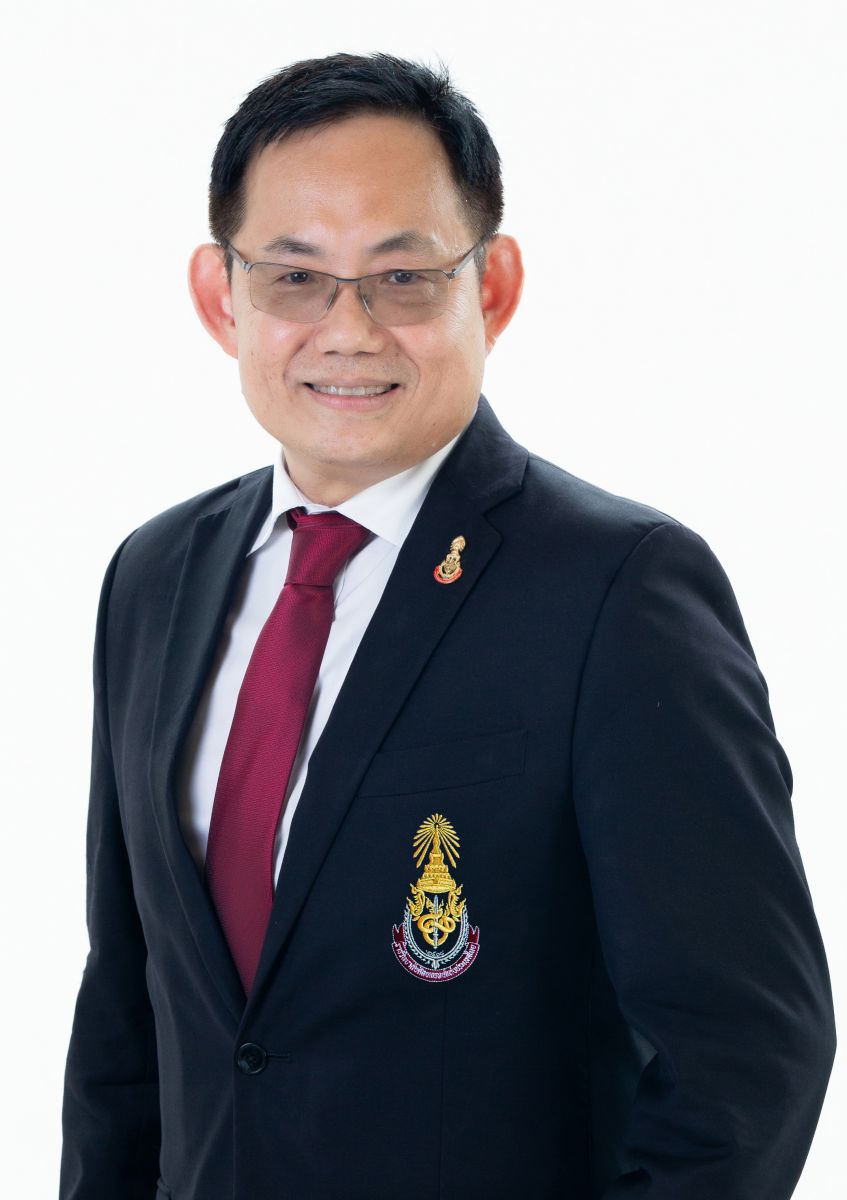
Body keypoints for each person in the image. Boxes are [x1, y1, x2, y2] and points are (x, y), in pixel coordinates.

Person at [60, 52, 836, 1200]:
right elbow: (127, 1021)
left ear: (494, 286)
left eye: (403, 276)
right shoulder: (154, 576)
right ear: (222, 298)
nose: (348, 330)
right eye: (295, 278)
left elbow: (746, 1059)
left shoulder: (617, 591)